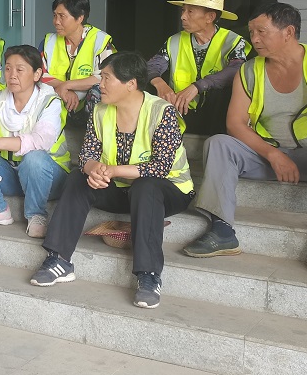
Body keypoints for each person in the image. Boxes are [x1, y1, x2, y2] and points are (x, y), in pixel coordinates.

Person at [183, 3, 307, 278]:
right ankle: (222, 231)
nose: (254, 39)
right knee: (219, 143)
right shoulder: (249, 70)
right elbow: (235, 123)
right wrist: (273, 155)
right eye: (251, 32)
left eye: (261, 31)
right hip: (268, 155)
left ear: (288, 32)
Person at [29, 52, 194, 309]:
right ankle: (59, 259)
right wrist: (94, 169)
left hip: (169, 190)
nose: (100, 84)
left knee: (146, 187)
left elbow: (160, 167)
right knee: (78, 177)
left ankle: (149, 276)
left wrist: (113, 171)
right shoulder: (100, 110)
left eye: (107, 78)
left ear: (131, 84)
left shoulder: (162, 112)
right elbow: (87, 155)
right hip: (121, 190)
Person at [0, 45, 70, 237]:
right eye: (8, 68)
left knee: (34, 158)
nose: (12, 75)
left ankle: (36, 214)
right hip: (13, 175)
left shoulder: (49, 102)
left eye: (20, 70)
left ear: (37, 74)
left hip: (48, 178)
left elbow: (41, 140)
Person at [148, 0, 248, 135]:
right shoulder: (175, 41)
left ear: (210, 17)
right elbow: (152, 66)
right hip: (181, 113)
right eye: (183, 10)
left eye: (190, 11)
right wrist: (160, 84)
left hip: (217, 116)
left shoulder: (232, 41)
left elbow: (236, 70)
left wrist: (198, 86)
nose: (183, 17)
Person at [39, 0, 115, 115]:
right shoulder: (49, 42)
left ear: (80, 18)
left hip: (87, 103)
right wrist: (64, 88)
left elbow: (105, 76)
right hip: (58, 99)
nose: (56, 21)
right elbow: (39, 73)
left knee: (98, 91)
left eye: (62, 16)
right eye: (54, 15)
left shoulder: (100, 41)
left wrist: (67, 85)